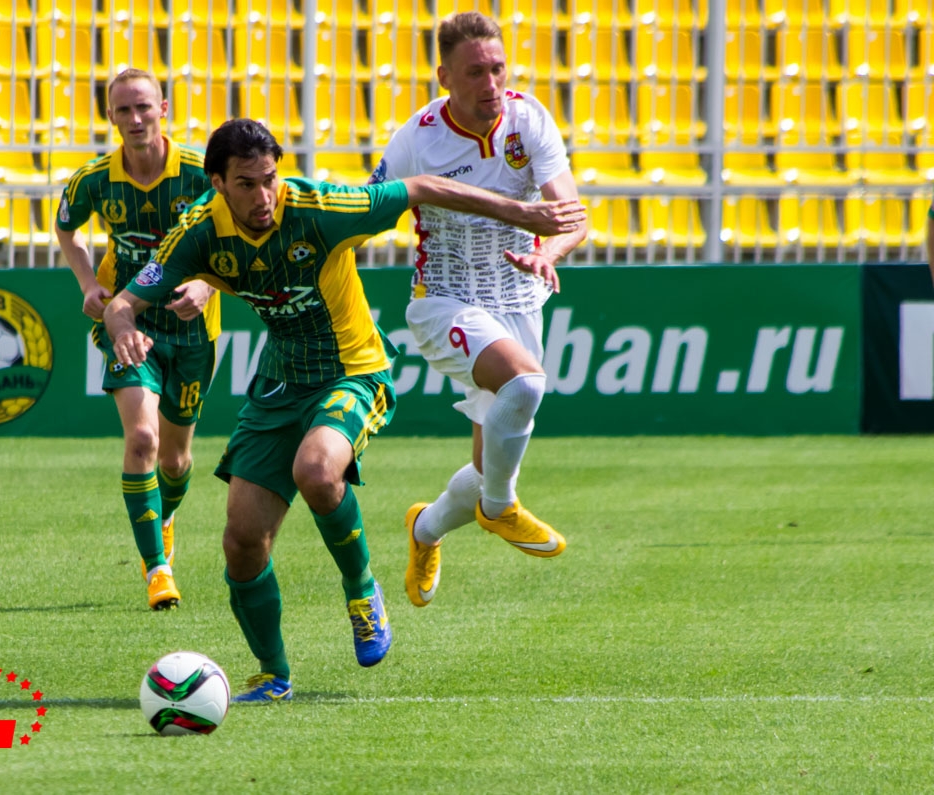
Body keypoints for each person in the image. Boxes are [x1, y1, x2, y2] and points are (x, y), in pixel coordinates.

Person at [104, 118, 585, 702]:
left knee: (316, 471)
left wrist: (526, 215)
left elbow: (422, 187)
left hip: (351, 371)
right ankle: (273, 675)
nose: (263, 196)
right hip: (280, 383)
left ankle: (362, 590)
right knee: (242, 542)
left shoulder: (321, 208)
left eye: (269, 179)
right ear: (218, 184)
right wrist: (123, 324)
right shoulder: (199, 232)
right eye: (247, 184)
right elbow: (125, 301)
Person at [367, 11, 589, 608]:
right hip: (444, 299)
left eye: (497, 68)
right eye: (474, 72)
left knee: (487, 459)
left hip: (519, 300)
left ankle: (425, 528)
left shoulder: (528, 118)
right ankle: (501, 508)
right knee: (525, 383)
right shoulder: (417, 138)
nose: (490, 83)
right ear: (444, 77)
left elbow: (572, 217)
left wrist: (549, 253)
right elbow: (368, 210)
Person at [55, 68, 219, 612]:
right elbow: (66, 228)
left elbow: (236, 233)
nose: (135, 118)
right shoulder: (93, 181)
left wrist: (206, 284)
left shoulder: (200, 172)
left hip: (193, 330)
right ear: (110, 117)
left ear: (163, 109)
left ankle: (164, 518)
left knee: (175, 462)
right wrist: (88, 284)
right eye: (123, 110)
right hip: (128, 321)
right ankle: (157, 570)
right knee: (142, 440)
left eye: (144, 106)